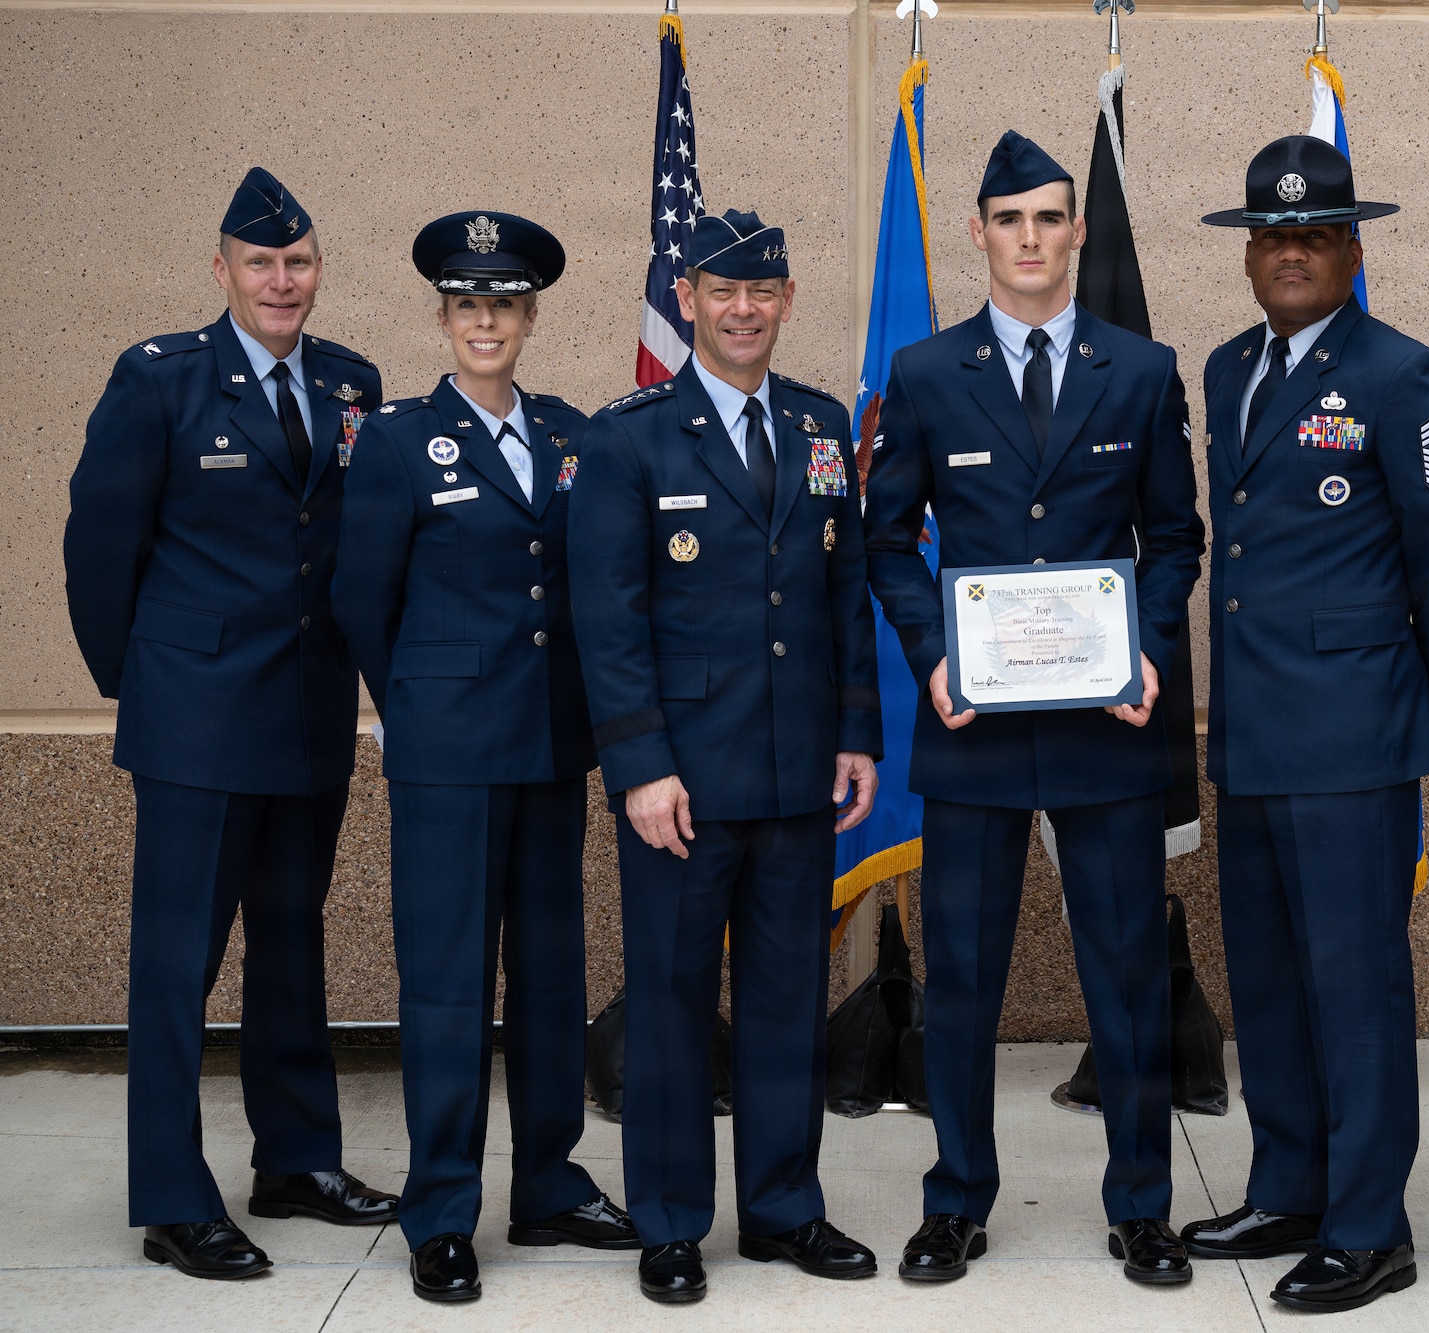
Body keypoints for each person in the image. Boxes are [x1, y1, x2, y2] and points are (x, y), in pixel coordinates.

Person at [865, 131, 1205, 1287]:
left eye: (1048, 218)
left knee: (1124, 971)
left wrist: (1150, 646)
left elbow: (1174, 539)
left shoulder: (1142, 370)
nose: (1028, 238)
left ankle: (1141, 1203)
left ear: (1076, 233)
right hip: (974, 728)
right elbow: (886, 542)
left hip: (1105, 726)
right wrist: (931, 654)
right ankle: (955, 1198)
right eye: (1008, 219)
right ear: (977, 233)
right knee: (961, 978)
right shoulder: (921, 375)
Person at [1175, 136, 1429, 1314]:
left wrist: (1417, 691)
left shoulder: (1404, 374)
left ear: (1352, 250)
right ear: (1249, 255)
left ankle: (1368, 1224)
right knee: (1265, 977)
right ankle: (1290, 1185)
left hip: (1353, 733)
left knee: (1355, 985)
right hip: (1254, 729)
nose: (1291, 252)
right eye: (1272, 236)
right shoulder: (1225, 369)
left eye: (1314, 234)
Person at [63, 167, 397, 1280]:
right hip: (197, 721)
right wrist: (145, 684)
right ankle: (170, 1195)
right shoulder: (160, 379)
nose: (281, 280)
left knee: (292, 945)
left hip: (307, 712)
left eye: (299, 262)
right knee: (176, 964)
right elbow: (99, 547)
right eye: (261, 262)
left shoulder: (352, 384)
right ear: (223, 271)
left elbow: (353, 551)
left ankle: (296, 1159)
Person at [570, 209, 882, 1305]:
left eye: (763, 290)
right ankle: (667, 1220)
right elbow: (606, 621)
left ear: (786, 299)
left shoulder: (819, 423)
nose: (743, 308)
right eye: (721, 291)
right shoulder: (628, 437)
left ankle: (784, 1208)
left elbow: (843, 596)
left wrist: (856, 734)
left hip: (800, 771)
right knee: (666, 1001)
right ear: (687, 301)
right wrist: (639, 765)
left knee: (788, 996)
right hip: (681, 788)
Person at [331, 210, 638, 1302]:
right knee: (450, 985)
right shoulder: (399, 442)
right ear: (443, 316)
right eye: (468, 304)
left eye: (504, 303)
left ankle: (549, 1180)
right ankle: (443, 1209)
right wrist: (421, 707)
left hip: (554, 748)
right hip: (449, 754)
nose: (486, 322)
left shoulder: (566, 434)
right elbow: (363, 602)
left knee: (551, 979)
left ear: (531, 315)